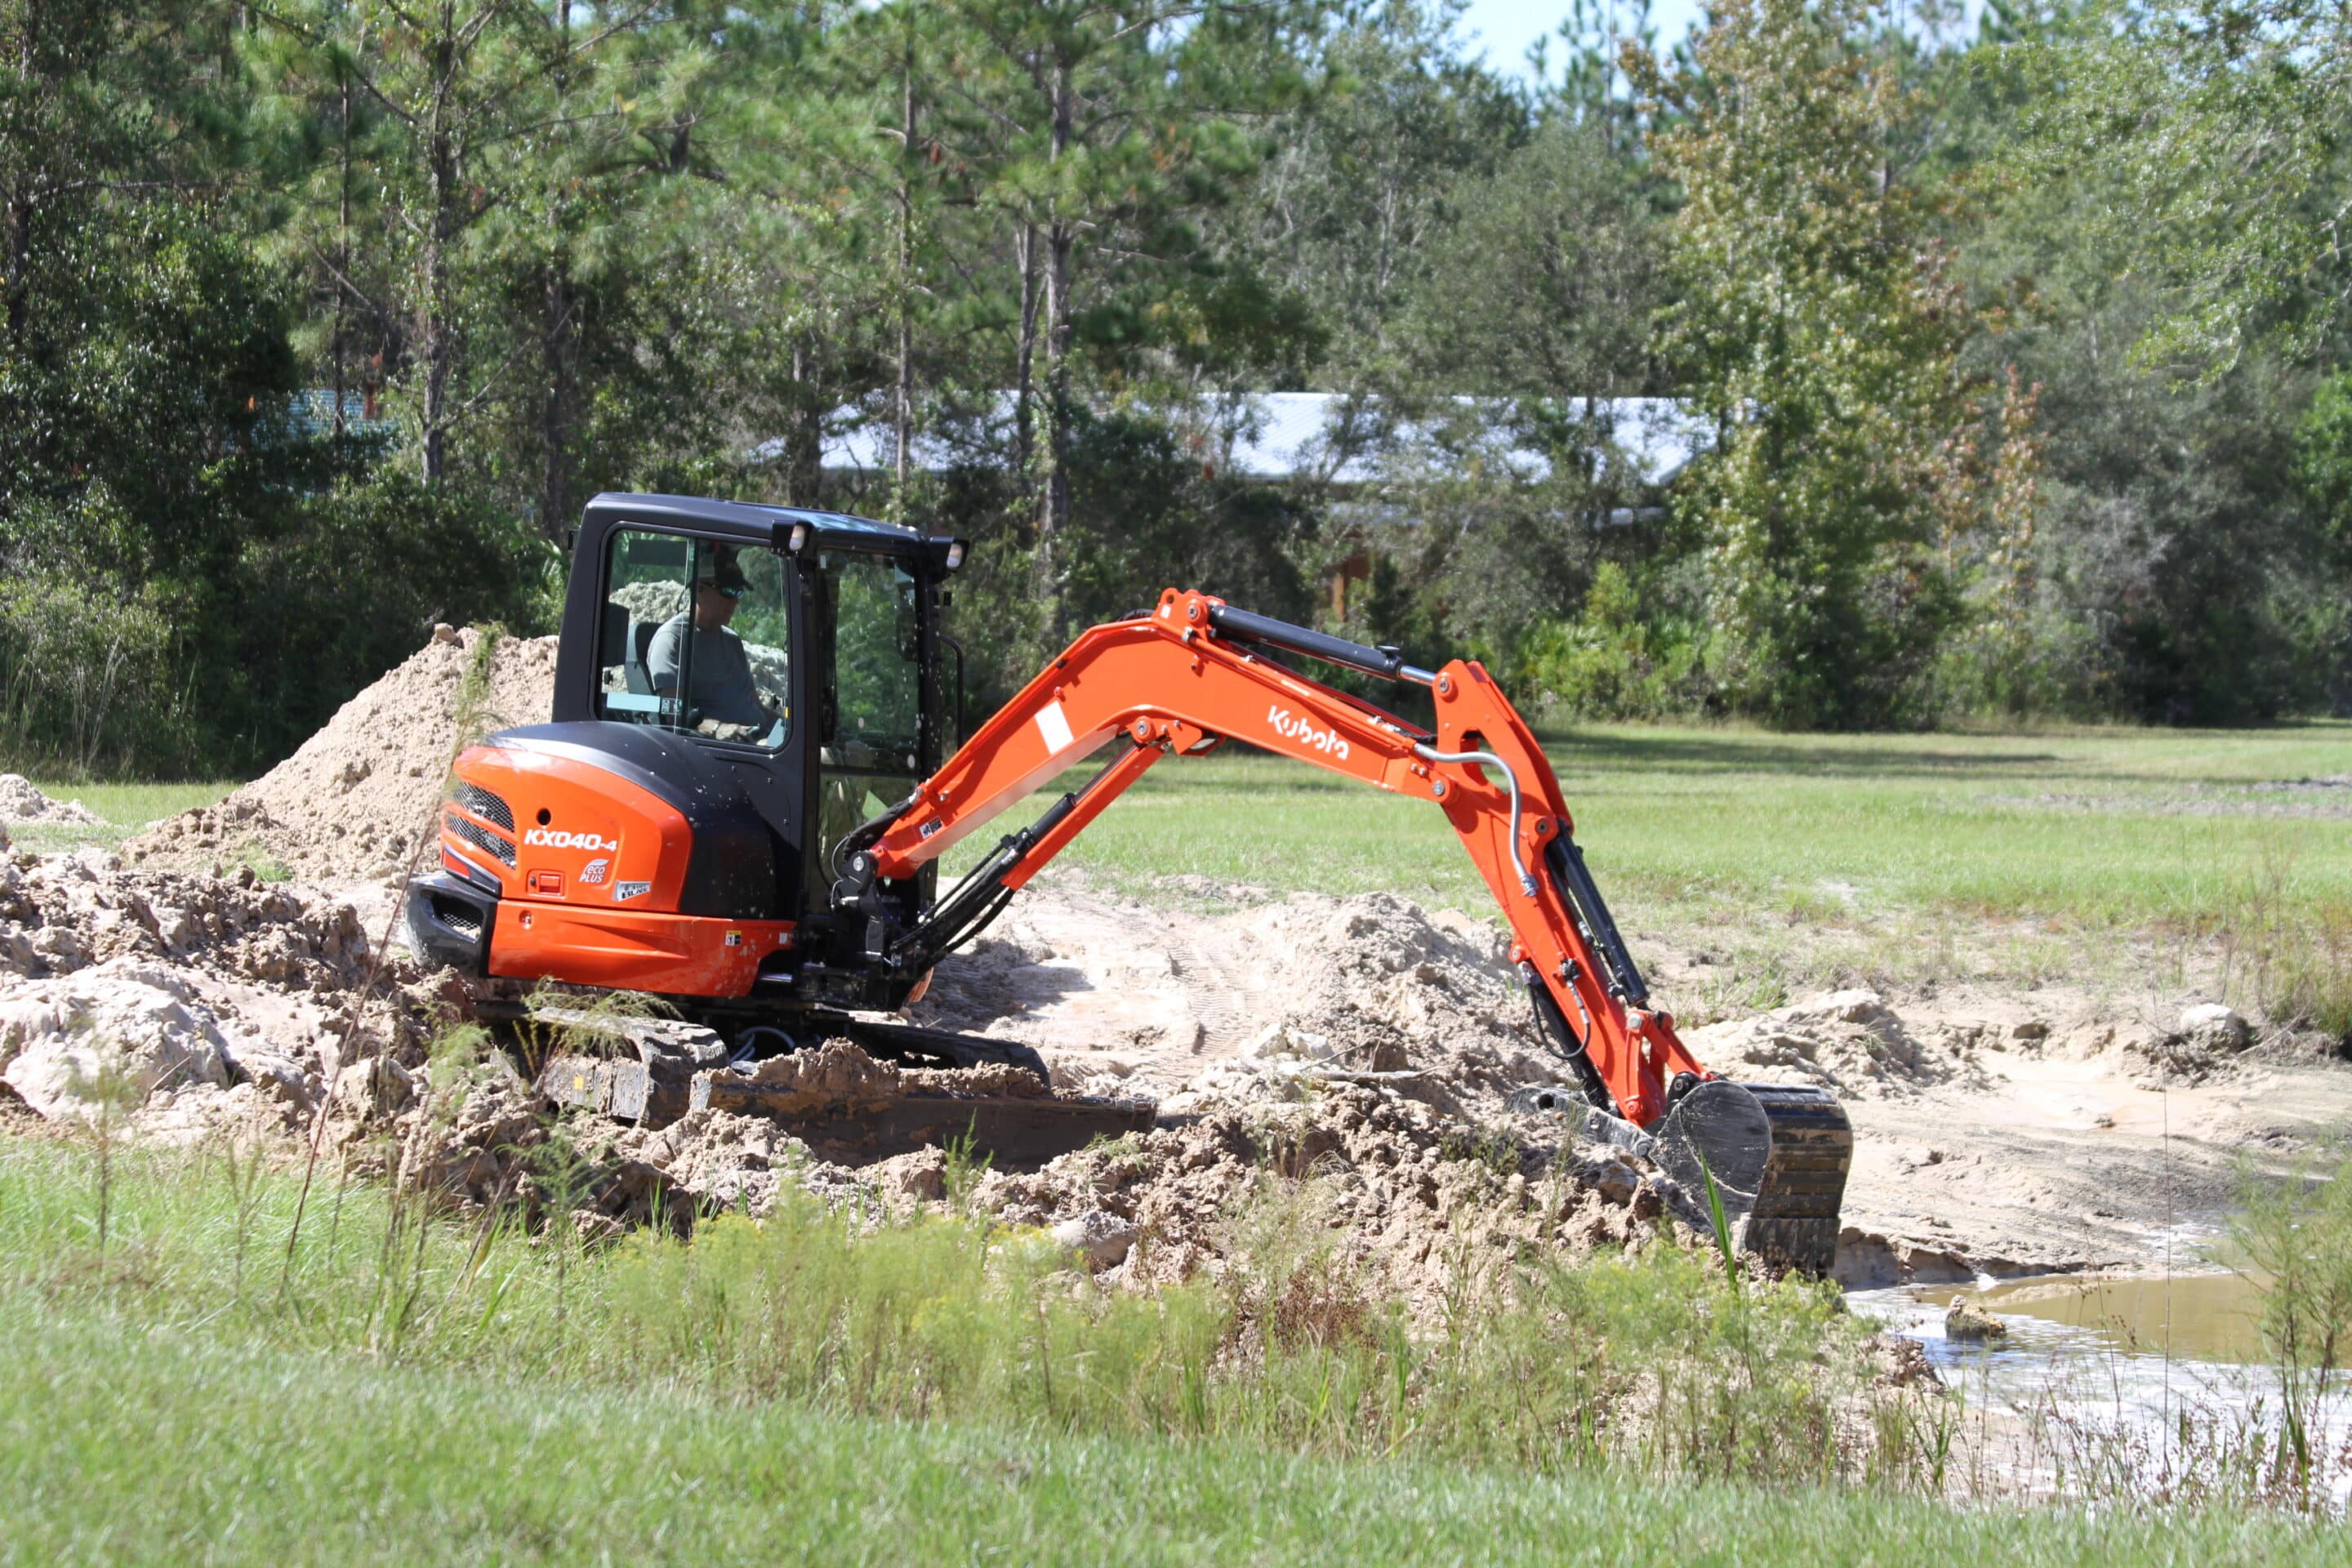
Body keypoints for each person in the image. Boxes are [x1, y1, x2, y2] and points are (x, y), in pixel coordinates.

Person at [646, 555, 771, 729]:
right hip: (728, 748)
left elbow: (757, 707)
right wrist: (717, 730)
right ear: (699, 590)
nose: (736, 601)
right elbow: (671, 710)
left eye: (739, 592)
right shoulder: (672, 639)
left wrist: (788, 727)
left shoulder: (732, 641)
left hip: (766, 742)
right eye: (728, 592)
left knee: (820, 751)